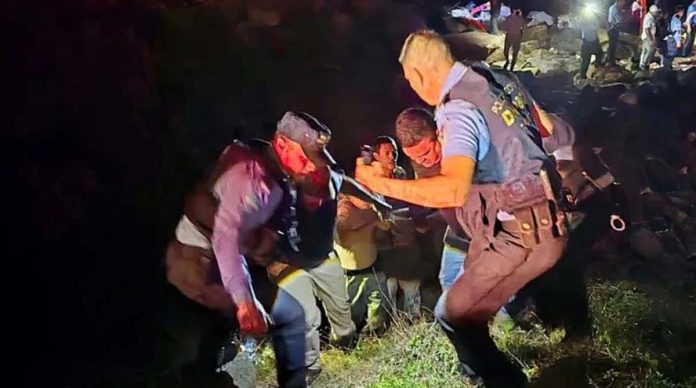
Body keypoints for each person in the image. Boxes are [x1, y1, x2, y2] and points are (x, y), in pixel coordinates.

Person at [357, 30, 573, 387]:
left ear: (421, 74)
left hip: (520, 232)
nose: (415, 90)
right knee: (470, 296)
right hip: (544, 220)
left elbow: (454, 189)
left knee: (452, 313)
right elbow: (551, 130)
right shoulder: (498, 78)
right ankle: (484, 373)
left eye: (412, 81)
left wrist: (375, 183)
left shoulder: (458, 110)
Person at [166, 111, 358, 387]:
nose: (310, 168)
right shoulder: (254, 185)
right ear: (281, 145)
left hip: (225, 264)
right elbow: (225, 238)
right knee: (273, 321)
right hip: (199, 267)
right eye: (305, 158)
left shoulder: (276, 166)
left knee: (264, 325)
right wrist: (244, 303)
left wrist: (377, 200)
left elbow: (337, 180)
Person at [370, 136, 424, 320]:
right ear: (376, 156)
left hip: (405, 241)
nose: (393, 156)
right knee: (388, 289)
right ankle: (387, 326)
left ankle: (412, 322)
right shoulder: (370, 181)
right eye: (388, 153)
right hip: (383, 245)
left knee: (411, 284)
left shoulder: (400, 173)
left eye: (394, 152)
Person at [334, 188, 390, 335]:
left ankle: (375, 338)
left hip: (374, 269)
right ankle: (348, 343)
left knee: (378, 308)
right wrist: (370, 224)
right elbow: (343, 236)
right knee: (352, 311)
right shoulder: (334, 218)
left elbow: (386, 225)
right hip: (350, 275)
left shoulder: (367, 211)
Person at [579, 7, 604, 79]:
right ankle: (583, 76)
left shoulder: (586, 22)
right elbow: (596, 26)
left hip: (590, 42)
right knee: (586, 61)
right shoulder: (587, 23)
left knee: (598, 54)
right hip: (589, 43)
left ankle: (584, 75)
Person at [640, 5, 660, 70]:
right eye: (656, 12)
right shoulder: (648, 18)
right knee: (648, 51)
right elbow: (647, 29)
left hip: (649, 37)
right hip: (647, 37)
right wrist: (650, 40)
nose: (657, 13)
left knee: (645, 51)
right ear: (653, 12)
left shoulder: (652, 17)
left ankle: (643, 64)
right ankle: (644, 64)